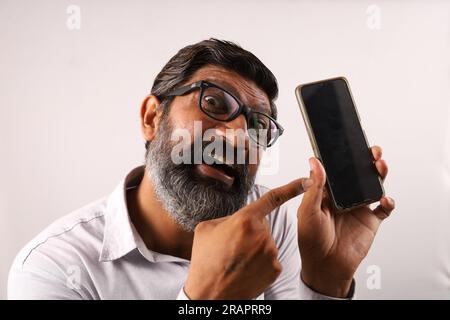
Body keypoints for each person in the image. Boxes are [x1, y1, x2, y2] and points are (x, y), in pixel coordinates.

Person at [8, 39, 395, 299]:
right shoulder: (54, 268)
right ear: (151, 118)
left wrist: (325, 282)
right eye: (214, 103)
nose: (237, 137)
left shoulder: (275, 224)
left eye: (258, 126)